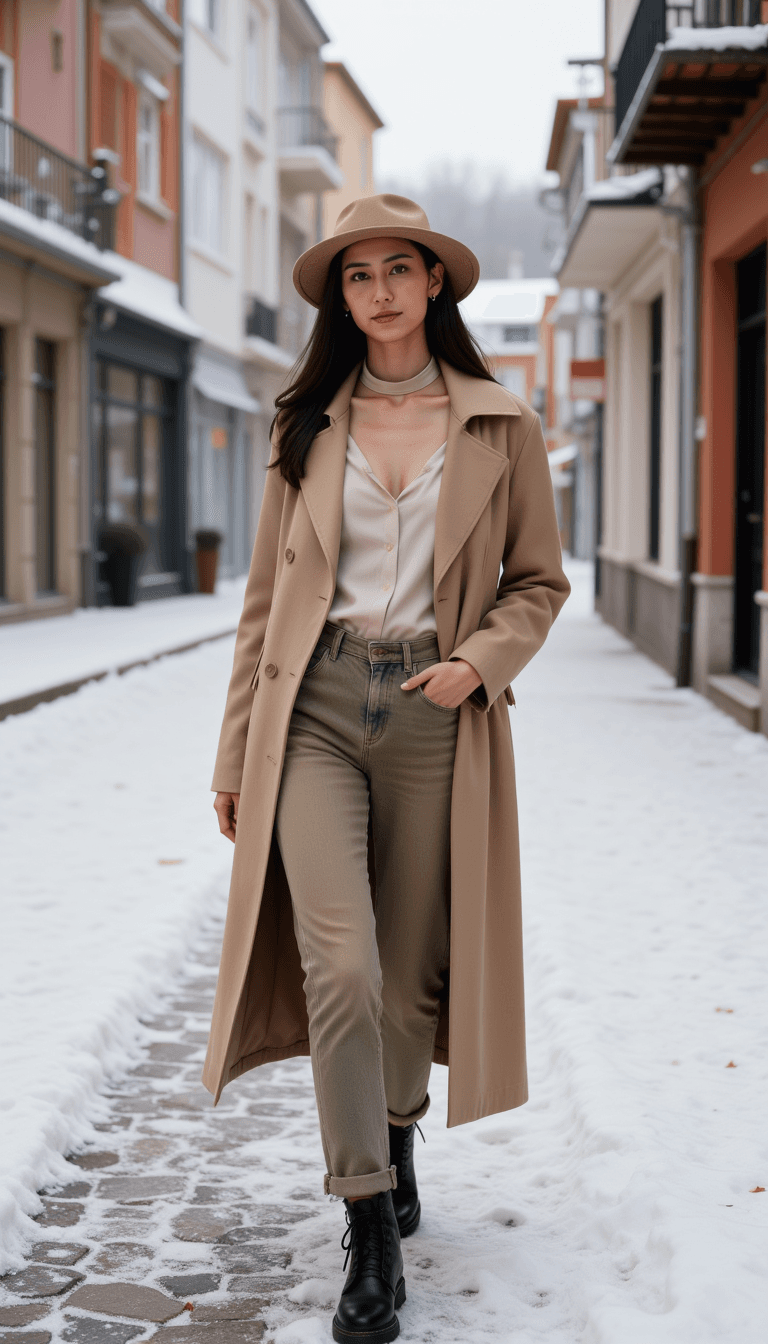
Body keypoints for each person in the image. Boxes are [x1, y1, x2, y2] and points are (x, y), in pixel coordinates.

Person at [203, 194, 570, 1344]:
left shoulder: (500, 424)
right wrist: (235, 752)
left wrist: (478, 664)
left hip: (433, 710)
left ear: (434, 282)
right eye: (357, 276)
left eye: (398, 270)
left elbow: (539, 582)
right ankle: (367, 1219)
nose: (379, 292)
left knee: (409, 979)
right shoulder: (305, 424)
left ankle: (398, 1128)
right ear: (342, 297)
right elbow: (265, 603)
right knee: (344, 968)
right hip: (312, 707)